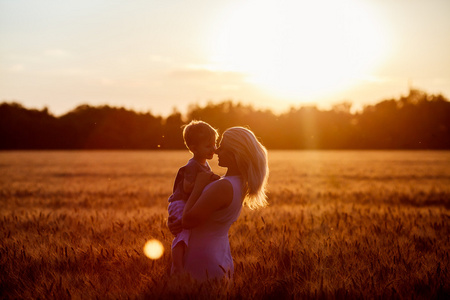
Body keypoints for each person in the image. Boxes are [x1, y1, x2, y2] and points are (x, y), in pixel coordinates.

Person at [168, 126, 269, 281]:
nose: (216, 151)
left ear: (235, 153)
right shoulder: (238, 183)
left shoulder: (223, 187)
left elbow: (188, 221)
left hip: (202, 261)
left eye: (222, 147)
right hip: (218, 256)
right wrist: (176, 220)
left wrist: (198, 187)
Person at [167, 120, 220, 274]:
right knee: (182, 233)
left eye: (214, 144)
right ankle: (177, 265)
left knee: (189, 234)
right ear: (193, 148)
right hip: (179, 203)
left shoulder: (204, 164)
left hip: (187, 202)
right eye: (208, 146)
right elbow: (187, 187)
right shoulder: (192, 165)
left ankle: (186, 262)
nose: (213, 149)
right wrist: (206, 180)